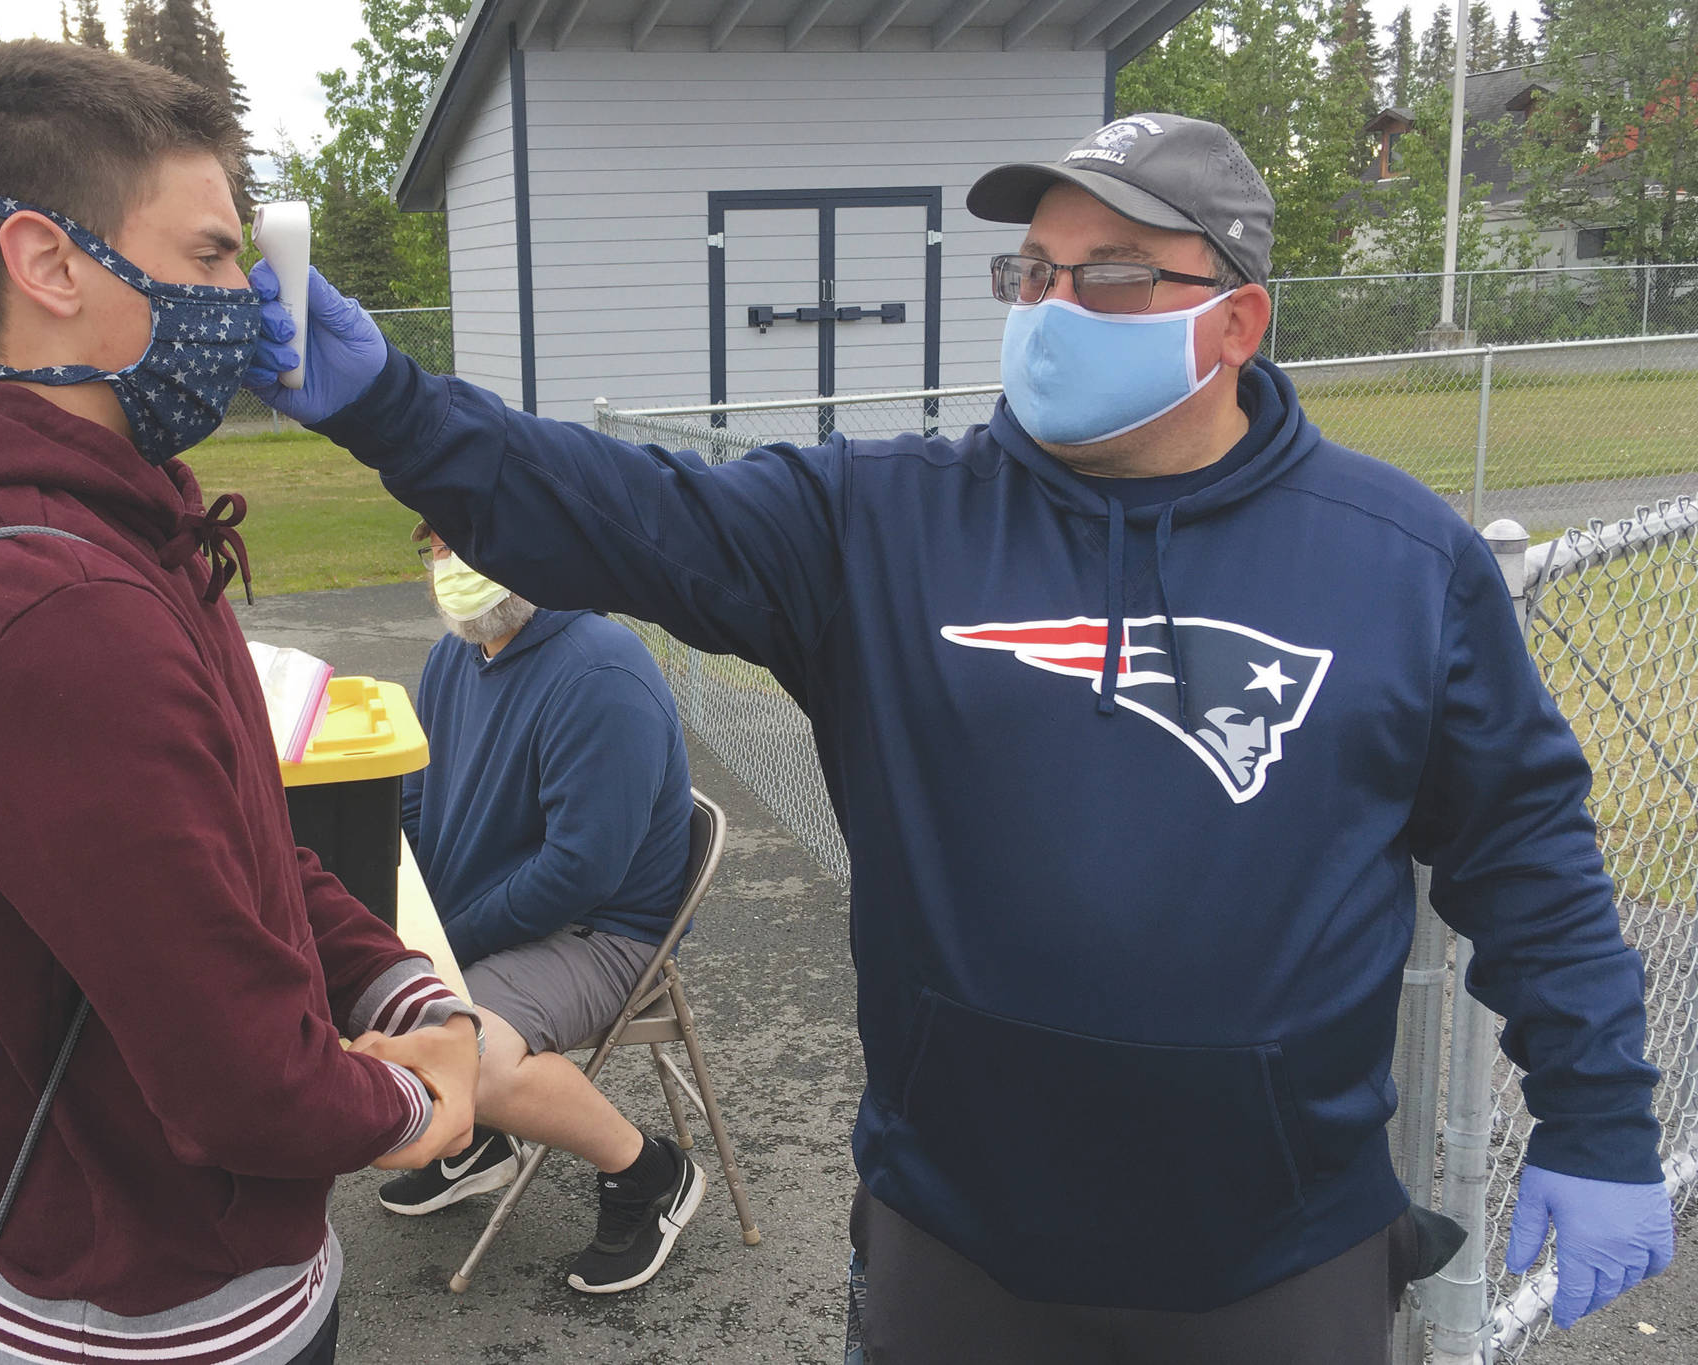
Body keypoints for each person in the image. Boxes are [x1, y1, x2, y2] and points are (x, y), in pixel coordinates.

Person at [244, 112, 1677, 1361]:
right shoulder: (882, 526)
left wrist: (1601, 1116)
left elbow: (1523, 847)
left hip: (1277, 1253)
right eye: (1030, 273)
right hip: (962, 1241)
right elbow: (629, 510)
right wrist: (395, 409)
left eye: (1104, 276)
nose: (1049, 306)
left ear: (1236, 321)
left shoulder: (1401, 560)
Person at [0, 41, 479, 1365]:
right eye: (217, 255)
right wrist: (424, 1103)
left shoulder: (110, 530)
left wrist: (398, 984)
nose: (255, 302)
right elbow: (242, 1081)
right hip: (146, 1318)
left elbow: (235, 853)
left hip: (177, 1283)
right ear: (49, 265)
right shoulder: (54, 613)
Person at [380, 522, 705, 1294]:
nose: (451, 562)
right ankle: (479, 1144)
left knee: (464, 1048)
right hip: (501, 914)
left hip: (604, 931)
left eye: (474, 538)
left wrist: (445, 943)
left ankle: (649, 1170)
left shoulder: (599, 671)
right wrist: (402, 927)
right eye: (434, 543)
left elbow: (578, 871)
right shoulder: (452, 658)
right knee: (375, 992)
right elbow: (417, 807)